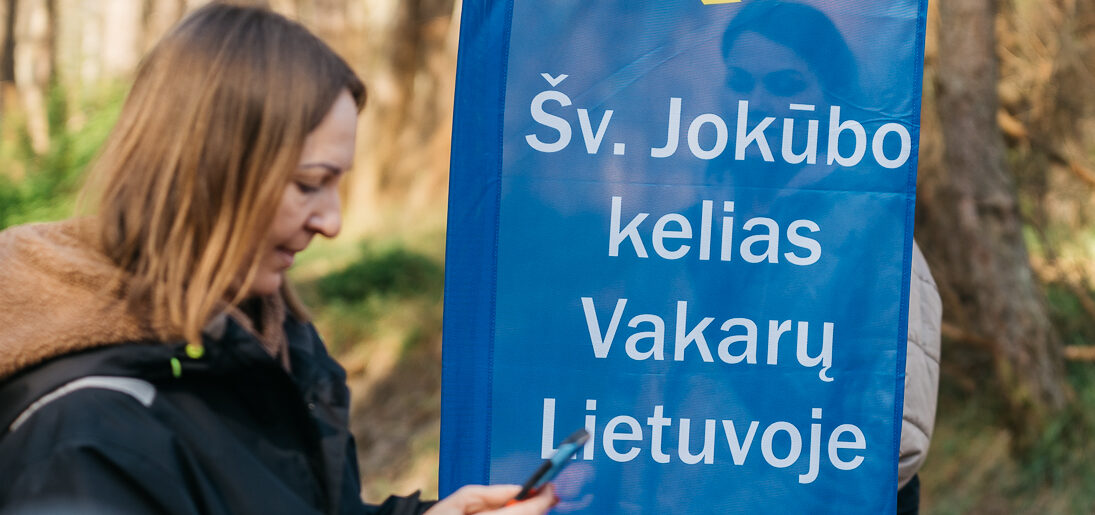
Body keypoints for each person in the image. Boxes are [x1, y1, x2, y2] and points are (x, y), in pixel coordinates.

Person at [0, 3, 555, 515]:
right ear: (209, 171)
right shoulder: (85, 437)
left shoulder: (266, 345)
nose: (331, 222)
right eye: (309, 184)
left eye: (337, 185)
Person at [717, 3, 942, 513]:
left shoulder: (877, 237)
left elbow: (891, 440)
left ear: (831, 101)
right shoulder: (680, 235)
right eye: (738, 81)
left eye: (785, 84)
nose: (756, 103)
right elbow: (644, 393)